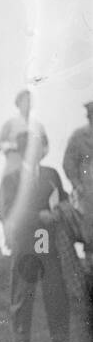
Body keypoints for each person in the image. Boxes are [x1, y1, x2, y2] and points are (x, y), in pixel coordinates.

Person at [0, 133, 76, 342]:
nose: (40, 151)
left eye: (42, 146)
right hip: (24, 239)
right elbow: (9, 211)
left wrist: (62, 208)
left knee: (54, 286)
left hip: (46, 238)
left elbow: (62, 199)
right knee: (23, 287)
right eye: (35, 147)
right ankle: (21, 338)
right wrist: (38, 216)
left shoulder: (51, 174)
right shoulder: (12, 178)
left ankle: (60, 338)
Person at [0, 89, 48, 256]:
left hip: (30, 168)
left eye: (30, 101)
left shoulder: (38, 125)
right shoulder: (11, 123)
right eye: (24, 101)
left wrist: (36, 156)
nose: (27, 105)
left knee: (32, 204)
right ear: (18, 104)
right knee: (7, 204)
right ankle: (9, 242)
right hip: (13, 166)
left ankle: (33, 244)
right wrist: (13, 146)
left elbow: (45, 147)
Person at [62, 99, 93, 272]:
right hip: (87, 189)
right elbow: (68, 162)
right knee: (89, 227)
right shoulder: (79, 136)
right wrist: (76, 183)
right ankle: (89, 265)